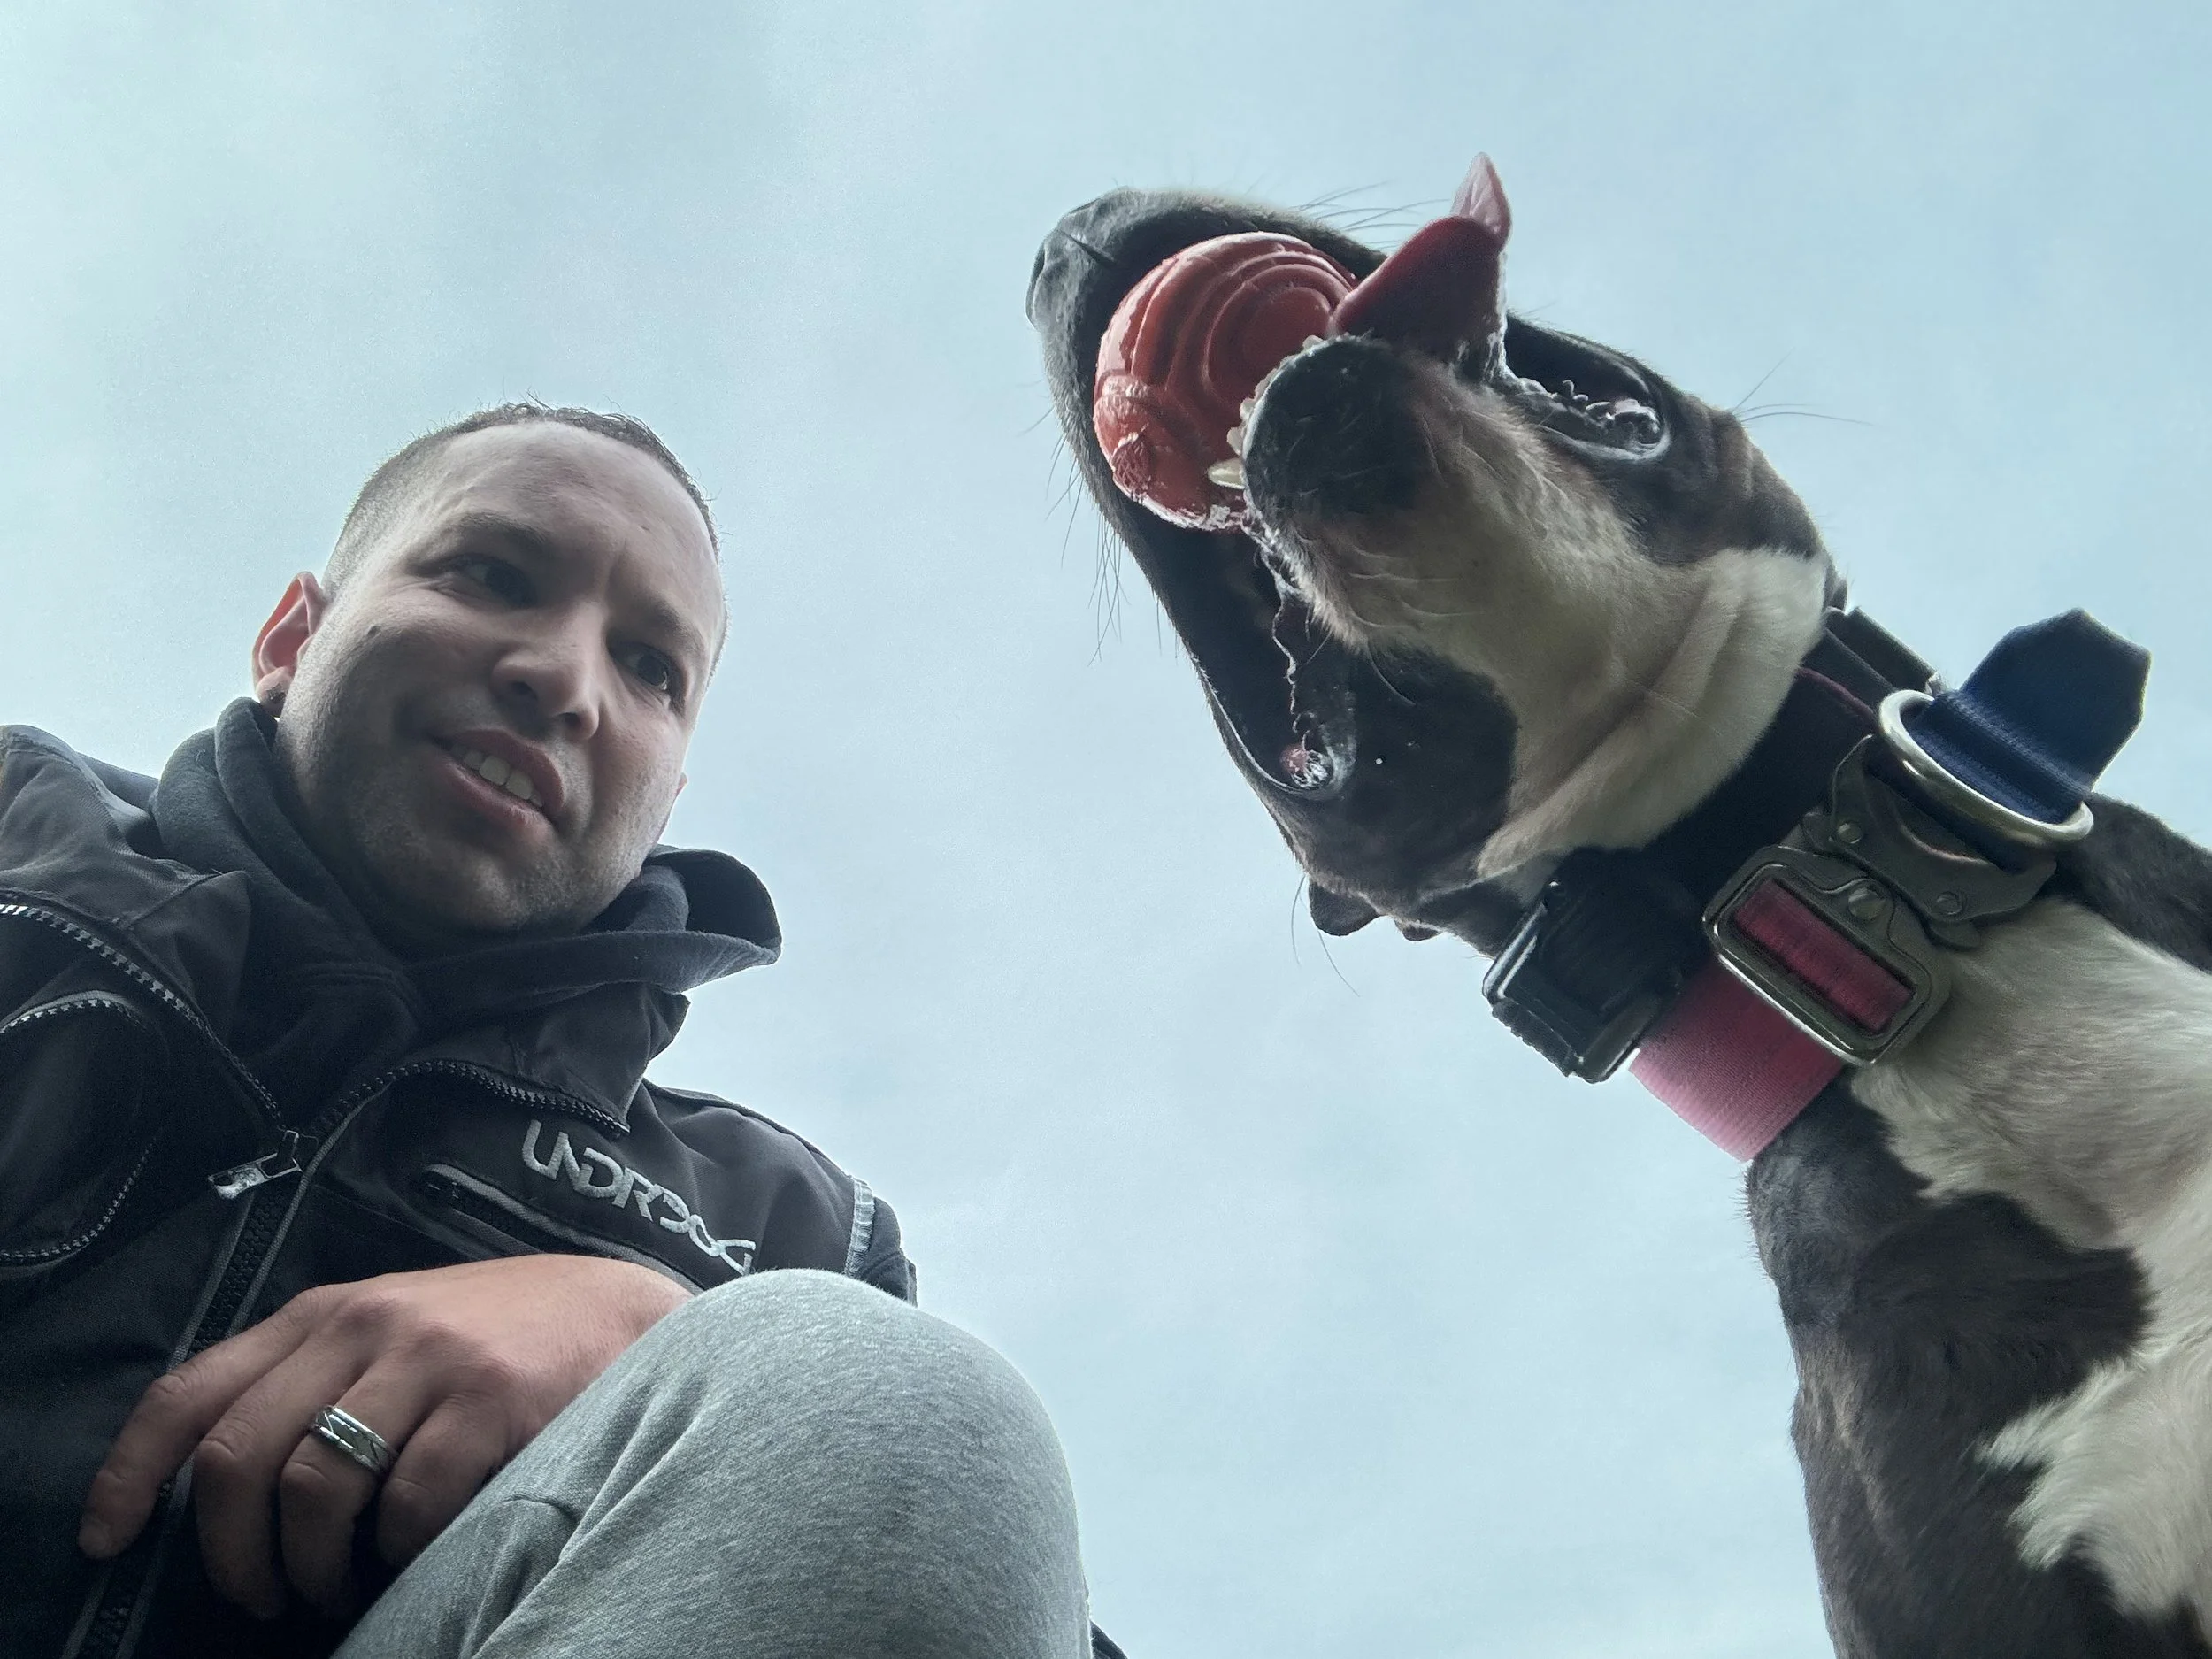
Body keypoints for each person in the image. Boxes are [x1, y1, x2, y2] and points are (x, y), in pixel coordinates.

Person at [0, 405, 1101, 1659]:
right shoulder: (25, 868)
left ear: (667, 794)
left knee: (900, 1404)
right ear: (292, 639)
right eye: (492, 574)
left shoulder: (791, 1236)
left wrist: (654, 1331)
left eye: (651, 668)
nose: (565, 683)